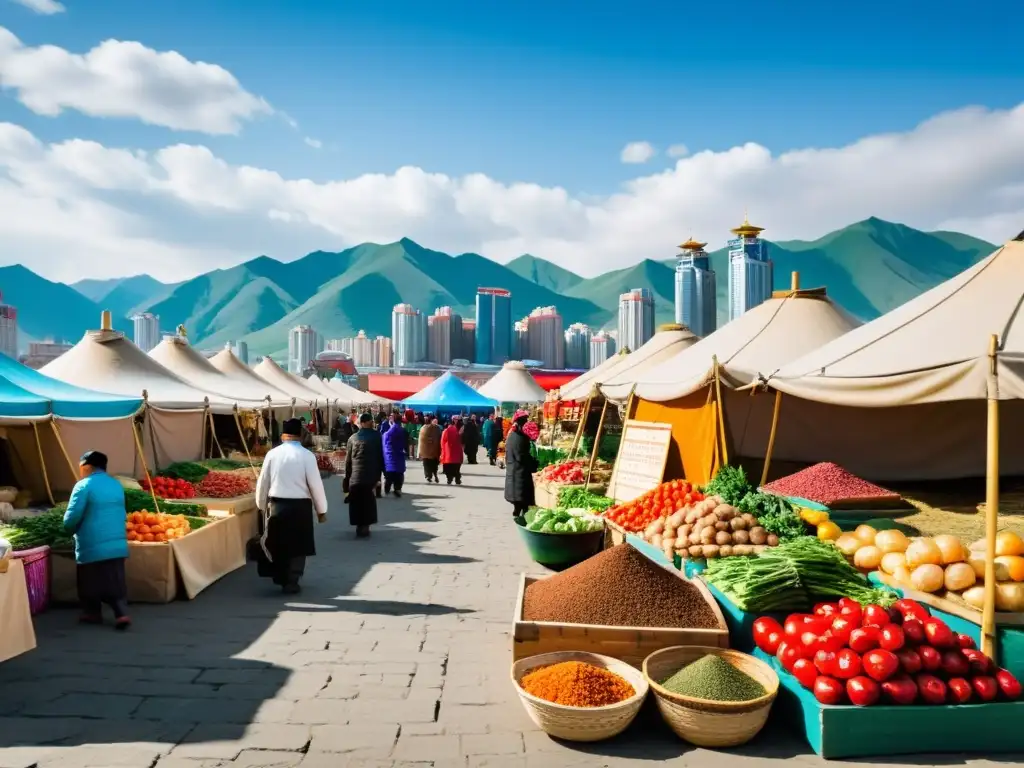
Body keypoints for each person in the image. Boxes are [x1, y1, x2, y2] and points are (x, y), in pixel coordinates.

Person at [255, 419, 328, 594]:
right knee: (298, 544)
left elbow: (263, 482)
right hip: (300, 507)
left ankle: (281, 576)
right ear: (300, 435)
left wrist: (260, 504)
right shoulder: (307, 456)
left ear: (282, 435)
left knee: (279, 542)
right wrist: (321, 510)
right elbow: (315, 485)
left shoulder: (272, 454)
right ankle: (293, 579)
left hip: (277, 505)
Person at [62, 451, 131, 629]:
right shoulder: (116, 485)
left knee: (89, 581)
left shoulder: (83, 486)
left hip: (91, 543)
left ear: (87, 467)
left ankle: (92, 613)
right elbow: (122, 513)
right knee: (114, 578)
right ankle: (121, 612)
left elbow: (72, 516)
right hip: (117, 543)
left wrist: (68, 528)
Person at [345, 413, 385, 538]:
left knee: (356, 501)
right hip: (370, 475)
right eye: (371, 421)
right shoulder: (377, 436)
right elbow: (381, 457)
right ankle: (365, 526)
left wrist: (347, 478)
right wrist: (381, 475)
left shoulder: (352, 438)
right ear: (368, 422)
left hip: (355, 476)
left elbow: (348, 461)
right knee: (368, 501)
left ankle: (359, 525)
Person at [504, 410, 539, 517]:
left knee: (519, 499)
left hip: (514, 470)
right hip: (519, 473)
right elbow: (521, 456)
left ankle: (517, 512)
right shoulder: (519, 437)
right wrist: (534, 463)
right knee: (523, 498)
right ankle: (521, 515)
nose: (526, 424)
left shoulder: (513, 435)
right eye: (525, 422)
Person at [382, 415, 408, 497]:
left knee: (389, 474)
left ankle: (387, 488)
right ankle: (397, 488)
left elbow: (384, 444)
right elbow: (405, 443)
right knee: (399, 473)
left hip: (389, 456)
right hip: (399, 455)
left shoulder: (387, 433)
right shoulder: (403, 431)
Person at [440, 416, 464, 485]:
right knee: (456, 466)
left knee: (449, 466)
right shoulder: (460, 429)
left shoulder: (446, 430)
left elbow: (443, 441)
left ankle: (450, 479)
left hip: (449, 451)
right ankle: (457, 478)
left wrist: (443, 449)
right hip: (455, 451)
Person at [418, 416, 442, 482]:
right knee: (434, 464)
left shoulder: (423, 428)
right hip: (435, 451)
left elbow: (420, 440)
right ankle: (434, 474)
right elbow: (440, 438)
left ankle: (428, 476)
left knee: (426, 464)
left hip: (425, 451)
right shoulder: (437, 428)